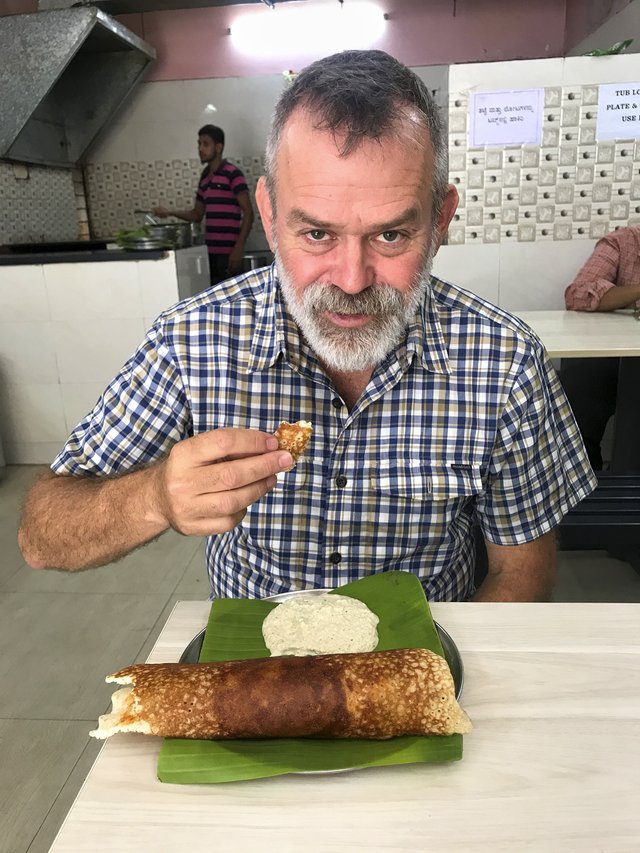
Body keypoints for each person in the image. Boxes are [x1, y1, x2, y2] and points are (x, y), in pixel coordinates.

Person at [18, 50, 596, 603]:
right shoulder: (192, 341)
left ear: (440, 220)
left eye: (390, 235)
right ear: (268, 215)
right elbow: (42, 534)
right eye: (316, 233)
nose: (350, 280)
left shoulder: (506, 362)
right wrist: (153, 498)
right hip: (256, 669)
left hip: (420, 666)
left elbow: (521, 572)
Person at [561, 225, 640, 470]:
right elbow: (577, 294)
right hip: (618, 359)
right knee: (581, 373)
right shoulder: (626, 241)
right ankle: (584, 481)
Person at [153, 124, 254, 285]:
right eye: (199, 144)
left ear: (218, 147)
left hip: (229, 254)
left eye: (205, 144)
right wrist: (169, 212)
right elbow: (196, 215)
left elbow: (249, 213)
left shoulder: (232, 173)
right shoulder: (205, 177)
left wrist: (238, 249)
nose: (200, 148)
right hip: (208, 254)